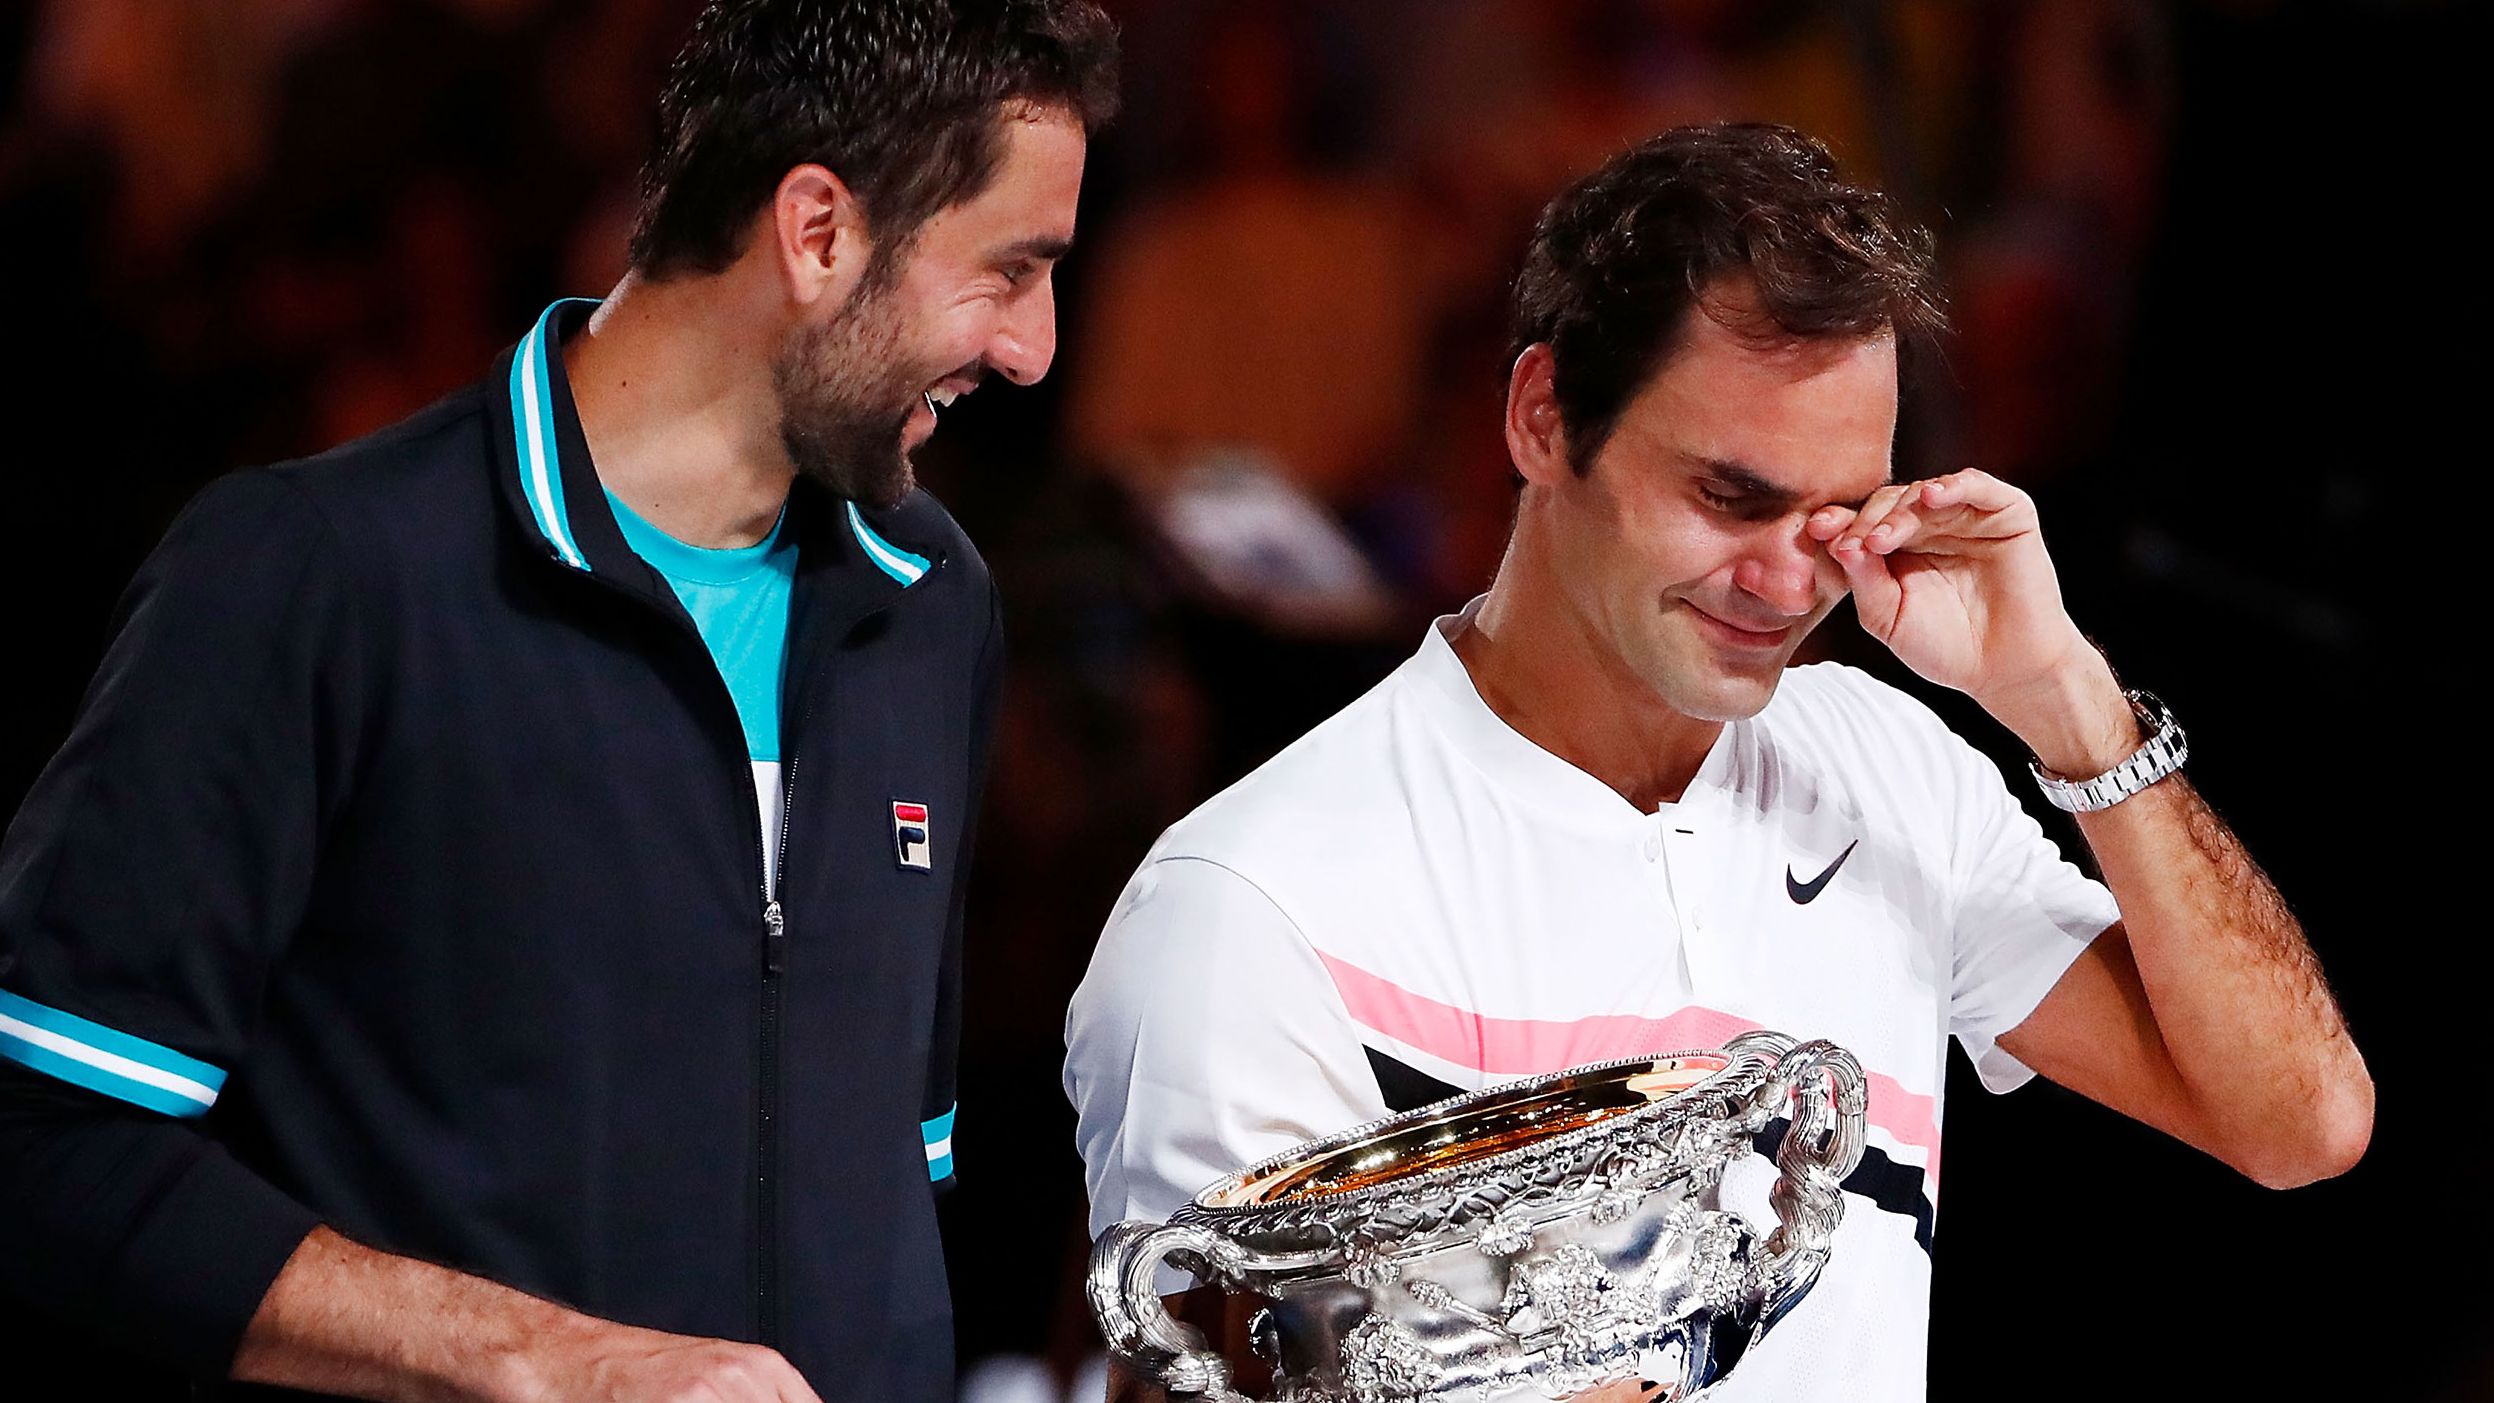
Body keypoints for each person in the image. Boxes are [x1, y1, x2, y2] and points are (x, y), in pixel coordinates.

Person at [1062, 123, 2370, 1402]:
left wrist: (2072, 703)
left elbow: (2298, 1125)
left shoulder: (1893, 769)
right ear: (1539, 417)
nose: (1785, 579)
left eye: (1836, 513)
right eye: (1731, 499)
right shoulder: (1250, 903)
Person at [0, 2, 1116, 1399]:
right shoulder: (313, 575)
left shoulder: (934, 604)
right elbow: (51, 1139)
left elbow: (894, 1177)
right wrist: (550, 1361)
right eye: (1009, 271)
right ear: (818, 231)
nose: (1032, 351)